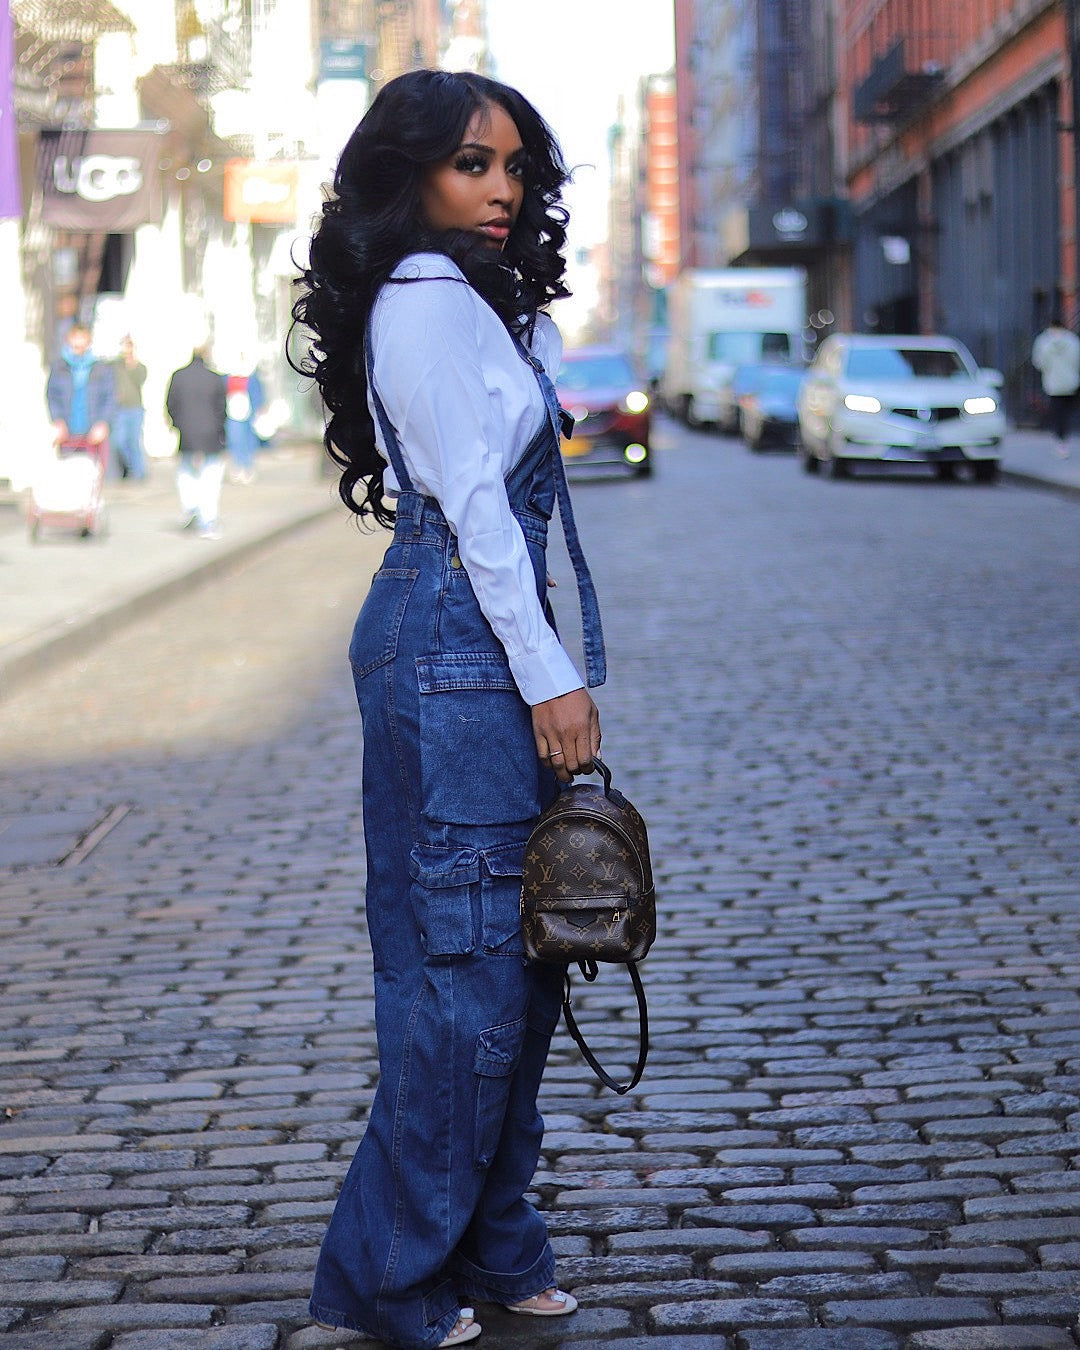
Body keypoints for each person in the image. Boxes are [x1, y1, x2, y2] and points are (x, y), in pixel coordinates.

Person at [291, 69, 606, 1349]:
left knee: (521, 962)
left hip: (470, 637)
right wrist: (550, 673)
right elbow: (476, 508)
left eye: (516, 167)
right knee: (465, 969)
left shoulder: (466, 295)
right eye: (473, 163)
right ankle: (390, 1271)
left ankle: (494, 1244)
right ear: (409, 170)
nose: (502, 188)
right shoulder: (421, 296)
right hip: (455, 641)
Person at [165, 342, 227, 538]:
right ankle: (207, 519)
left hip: (187, 433)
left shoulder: (178, 376)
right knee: (211, 476)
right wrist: (220, 428)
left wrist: (178, 424)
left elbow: (170, 404)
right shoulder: (215, 378)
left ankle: (190, 506)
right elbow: (221, 407)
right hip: (211, 434)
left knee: (186, 471)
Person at [46, 322, 116, 466]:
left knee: (92, 473)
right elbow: (52, 396)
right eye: (75, 338)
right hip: (67, 433)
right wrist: (57, 420)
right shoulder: (59, 367)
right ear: (69, 340)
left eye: (82, 338)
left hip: (92, 433)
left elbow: (110, 397)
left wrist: (103, 423)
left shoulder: (101, 368)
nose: (78, 343)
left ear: (88, 341)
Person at [1032, 311, 1080, 458]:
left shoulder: (1043, 341)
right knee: (1067, 413)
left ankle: (1061, 442)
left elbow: (1038, 362)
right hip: (1071, 382)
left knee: (1058, 413)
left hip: (1053, 383)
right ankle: (1064, 438)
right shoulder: (1073, 340)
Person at [109, 335, 148, 480]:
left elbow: (140, 379)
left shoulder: (139, 367)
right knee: (118, 441)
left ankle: (138, 472)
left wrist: (131, 363)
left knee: (134, 441)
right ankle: (128, 468)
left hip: (135, 408)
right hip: (119, 409)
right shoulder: (115, 365)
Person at [224, 353, 266, 483]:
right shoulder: (228, 377)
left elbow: (257, 394)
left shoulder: (251, 377)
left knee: (248, 442)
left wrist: (258, 409)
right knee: (234, 440)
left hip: (247, 414)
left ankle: (247, 467)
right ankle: (237, 467)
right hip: (232, 414)